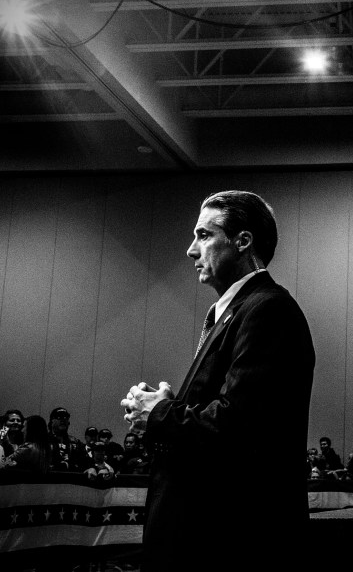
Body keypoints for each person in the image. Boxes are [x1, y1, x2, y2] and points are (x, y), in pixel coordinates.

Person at [121, 190, 316, 570]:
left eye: (204, 235)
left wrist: (160, 414)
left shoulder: (268, 310)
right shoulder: (238, 312)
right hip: (210, 538)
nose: (191, 251)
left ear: (243, 241)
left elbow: (237, 427)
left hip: (230, 545)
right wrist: (171, 405)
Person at [47, 407, 90, 472]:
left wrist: (92, 468)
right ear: (51, 421)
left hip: (70, 479)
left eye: (65, 418)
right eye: (59, 417)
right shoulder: (43, 440)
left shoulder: (75, 442)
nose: (63, 420)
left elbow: (87, 462)